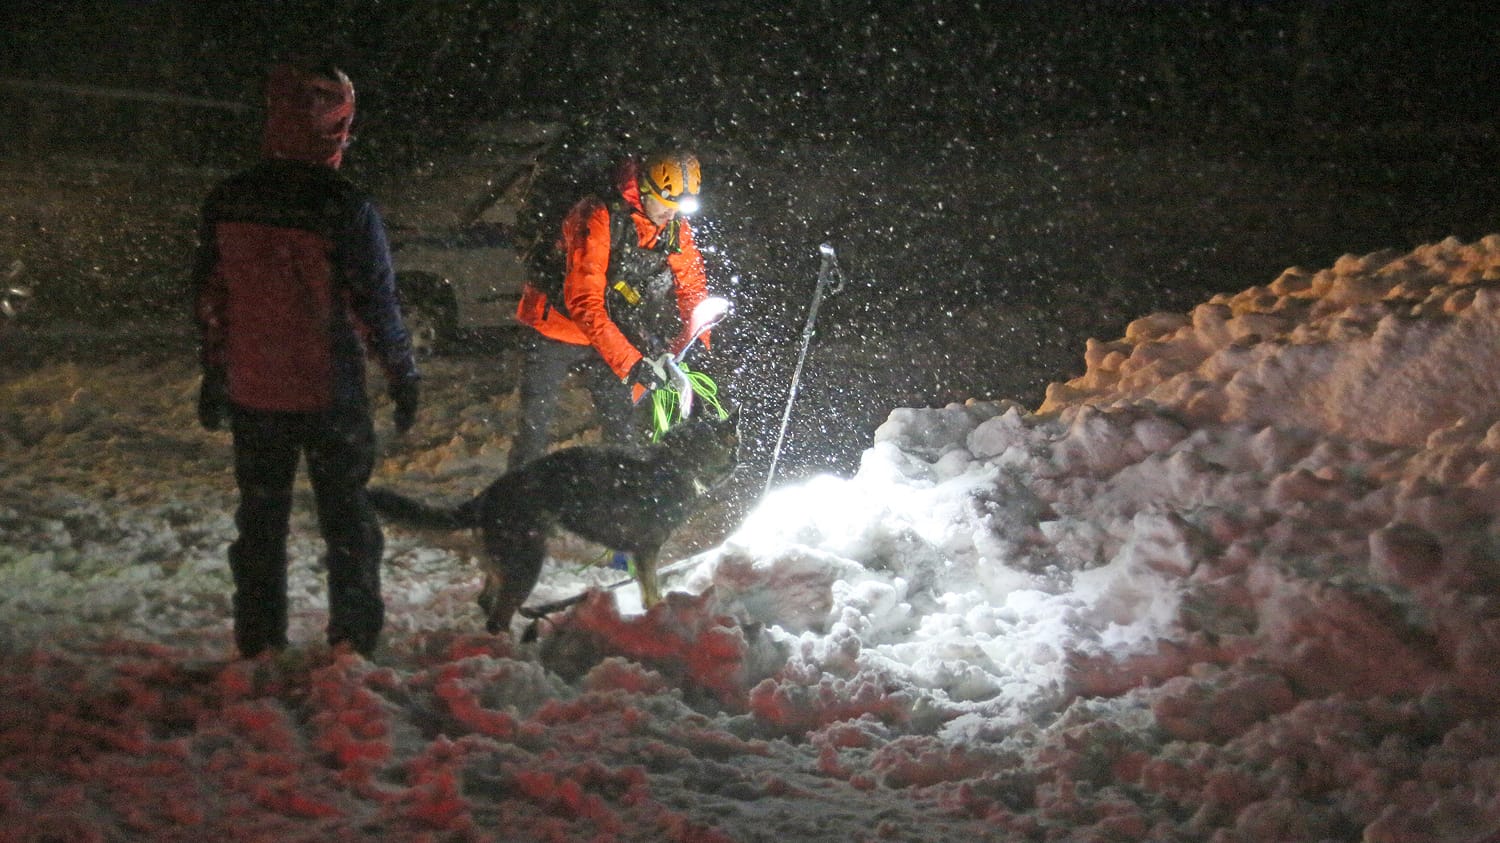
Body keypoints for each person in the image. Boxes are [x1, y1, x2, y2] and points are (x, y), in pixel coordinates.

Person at [192, 62, 420, 659]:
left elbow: (211, 300)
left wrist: (214, 373)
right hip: (329, 392)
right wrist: (402, 373)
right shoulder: (343, 205)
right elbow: (377, 302)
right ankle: (353, 641)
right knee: (348, 524)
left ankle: (260, 640)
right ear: (331, 127)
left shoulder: (229, 197)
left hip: (253, 388)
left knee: (261, 525)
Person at [511, 147, 711, 466]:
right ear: (644, 190)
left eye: (678, 208)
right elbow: (584, 303)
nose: (670, 215)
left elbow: (692, 285)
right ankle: (515, 503)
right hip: (554, 326)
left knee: (623, 430)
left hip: (610, 332)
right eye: (665, 203)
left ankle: (620, 500)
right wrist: (631, 363)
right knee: (534, 430)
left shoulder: (673, 226)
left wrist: (696, 340)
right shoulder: (598, 215)